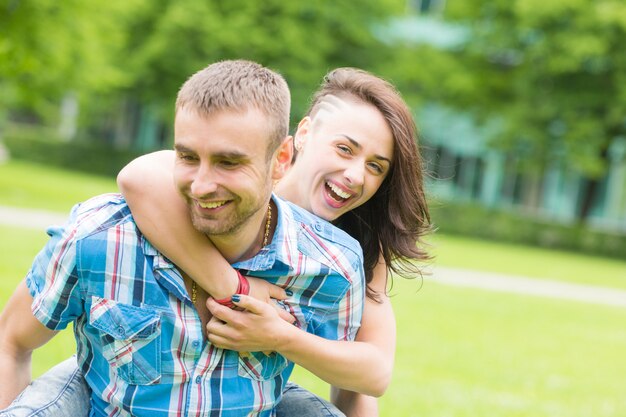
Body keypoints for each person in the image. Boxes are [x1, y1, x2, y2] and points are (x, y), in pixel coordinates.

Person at [0, 60, 366, 416]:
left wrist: (283, 338)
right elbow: (11, 343)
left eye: (229, 162)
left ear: (281, 159)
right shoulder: (99, 238)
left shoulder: (329, 267)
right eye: (188, 157)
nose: (202, 186)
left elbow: (359, 380)